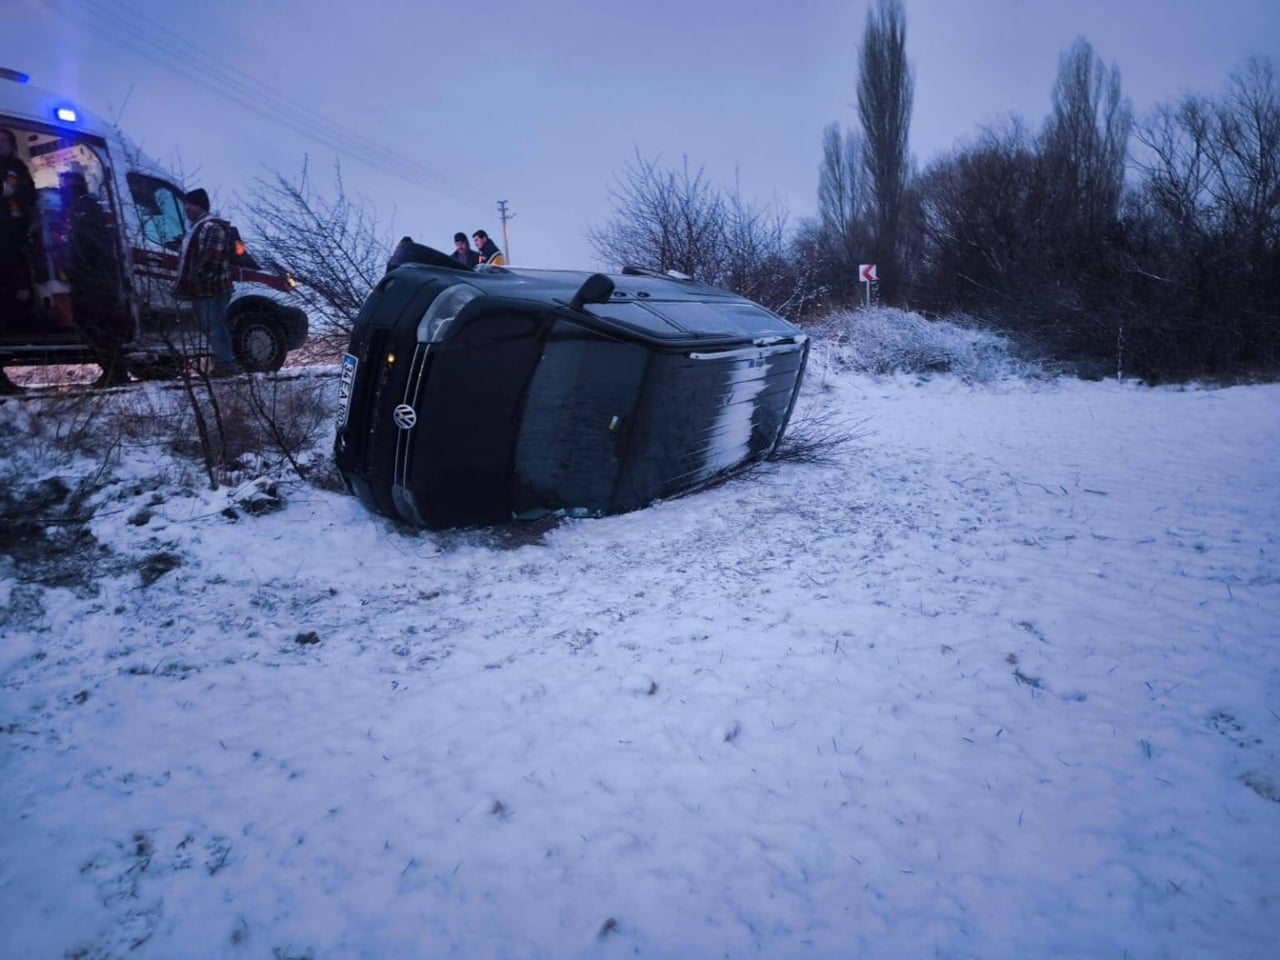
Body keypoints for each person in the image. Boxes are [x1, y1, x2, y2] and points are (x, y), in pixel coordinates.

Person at [61, 170, 130, 387]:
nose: (63, 189)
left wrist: (83, 270)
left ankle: (116, 372)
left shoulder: (85, 208)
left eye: (66, 185)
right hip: (92, 278)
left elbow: (91, 246)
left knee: (98, 325)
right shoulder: (81, 208)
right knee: (96, 325)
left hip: (93, 280)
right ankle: (113, 371)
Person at [175, 187, 238, 376]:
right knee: (210, 326)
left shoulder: (211, 227)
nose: (186, 208)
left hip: (213, 288)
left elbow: (212, 259)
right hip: (204, 289)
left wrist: (196, 281)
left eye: (190, 204)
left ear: (200, 205)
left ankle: (226, 363)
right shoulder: (197, 228)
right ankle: (223, 362)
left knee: (215, 326)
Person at [0, 128, 37, 395]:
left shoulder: (18, 167)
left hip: (17, 235)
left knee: (19, 294)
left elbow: (30, 195)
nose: (1, 145)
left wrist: (17, 192)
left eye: (4, 141)